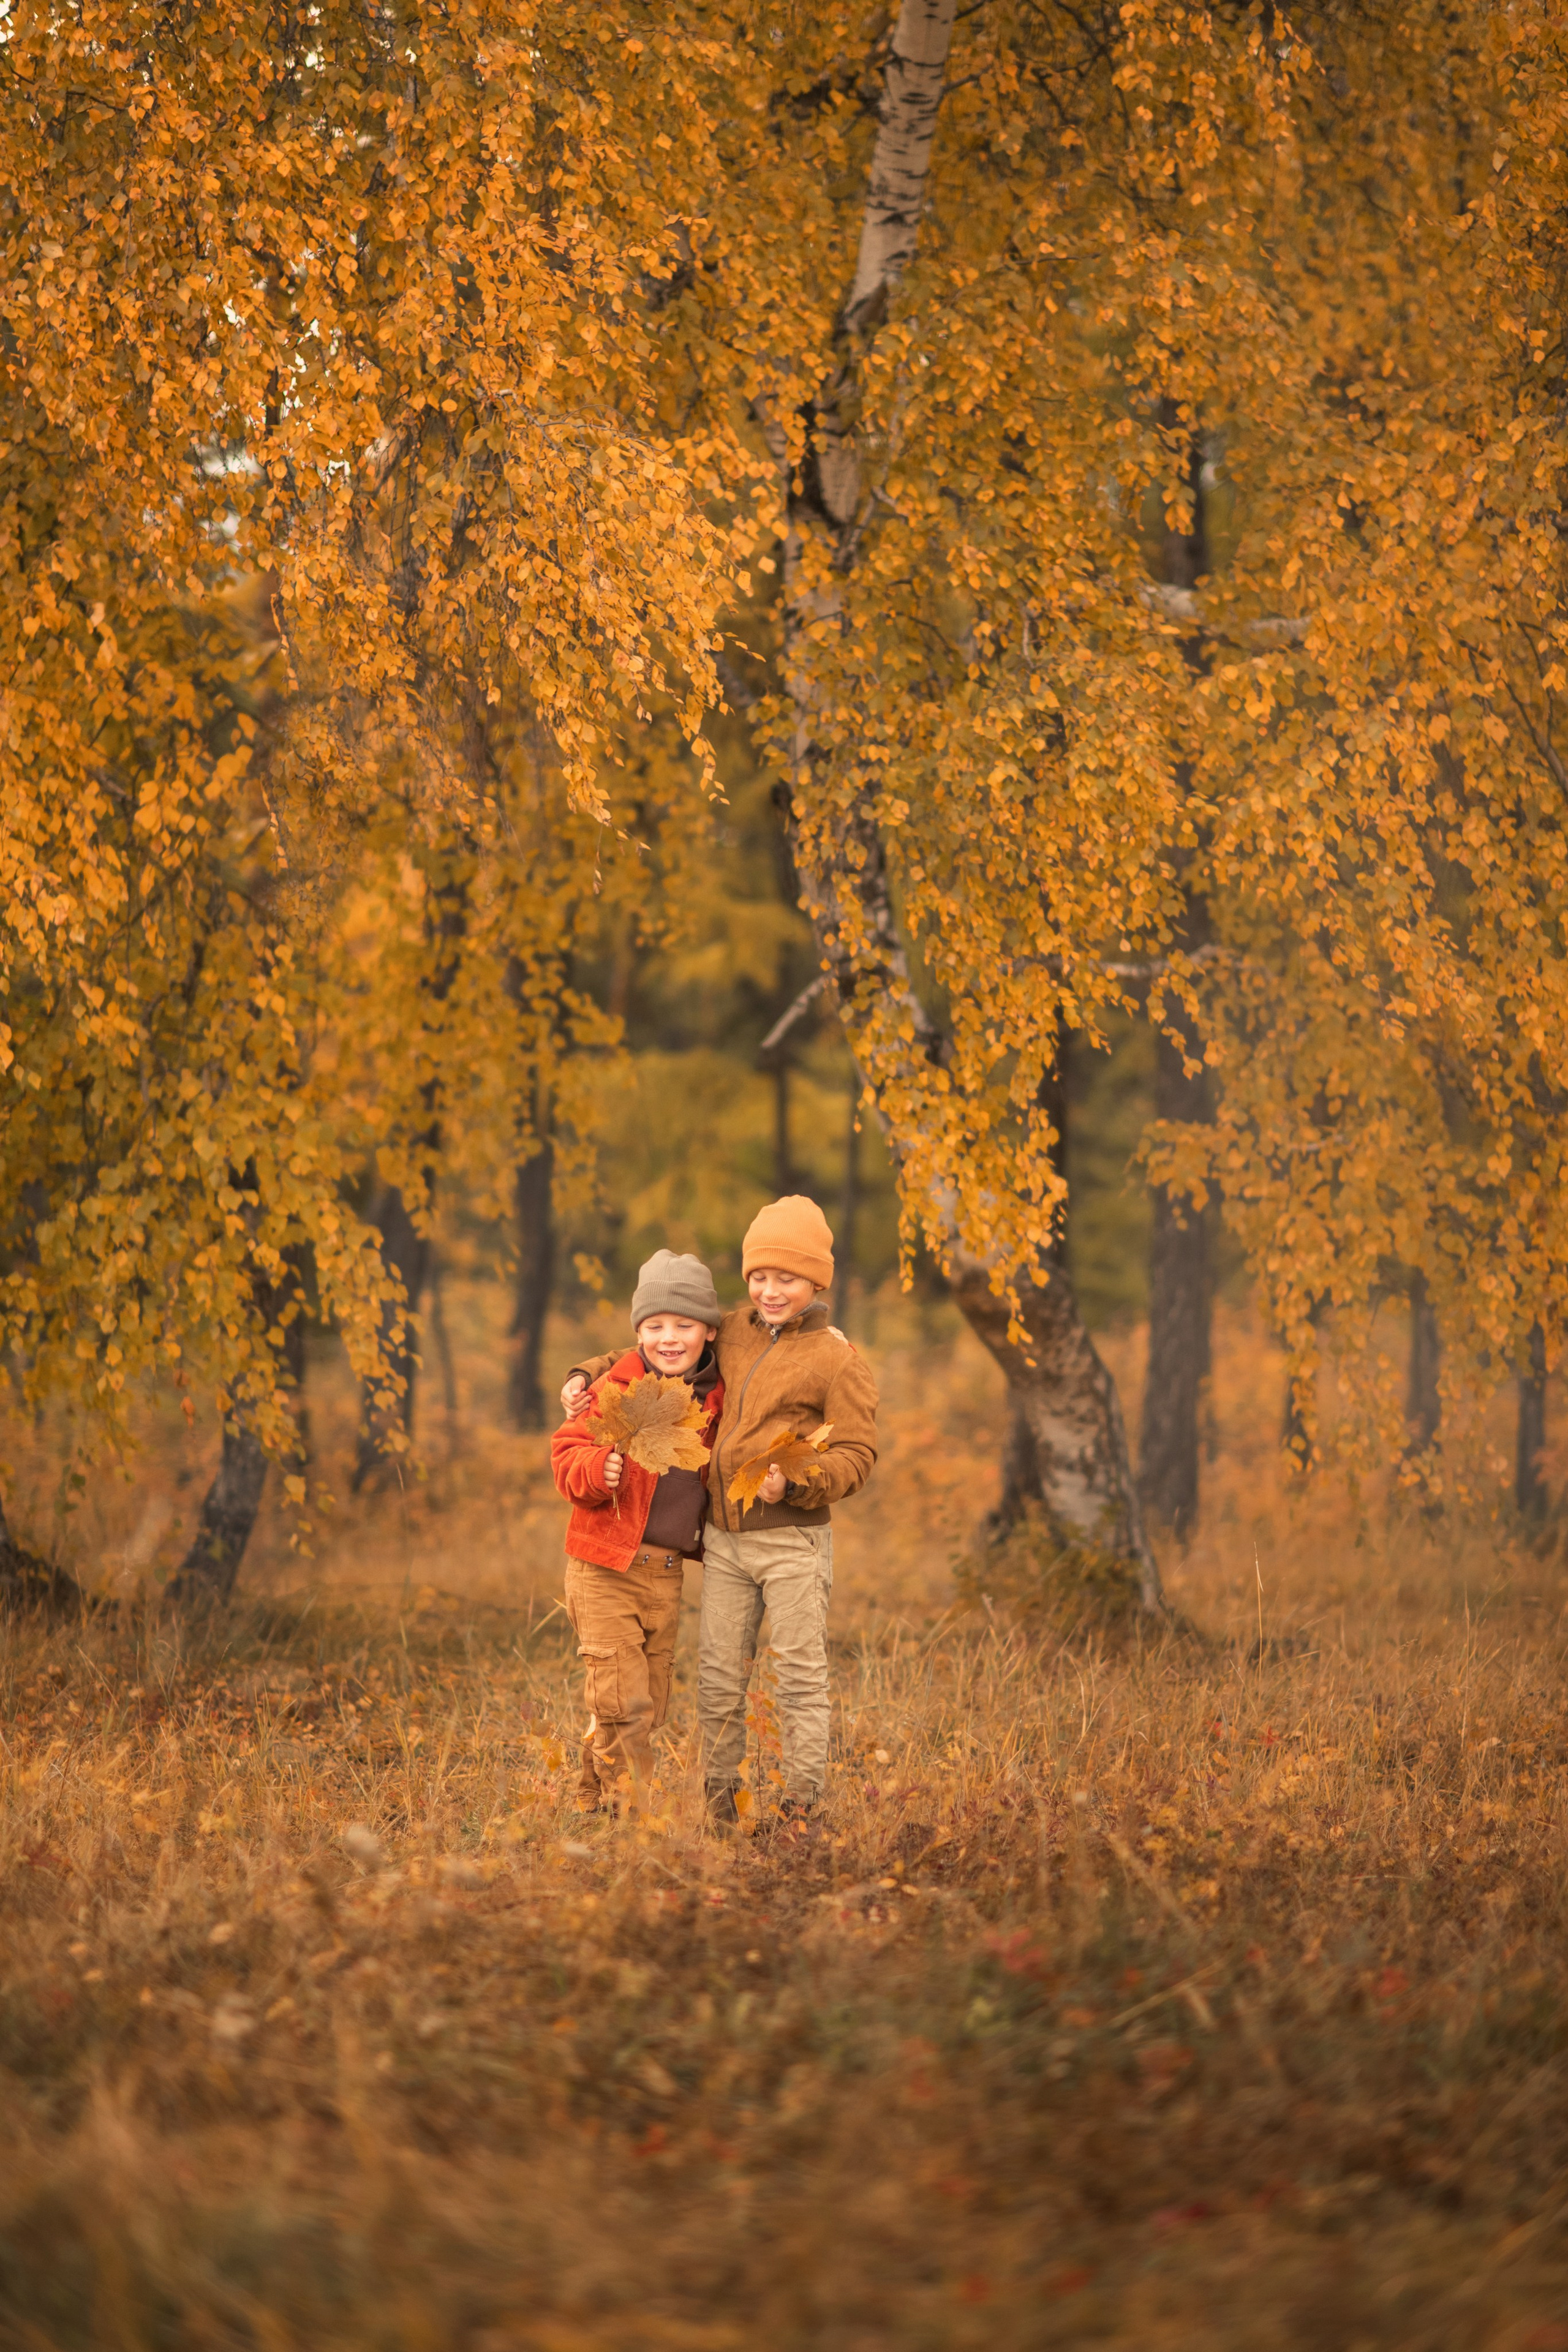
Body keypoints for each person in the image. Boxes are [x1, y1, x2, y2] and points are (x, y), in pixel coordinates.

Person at [560, 1197, 878, 1835]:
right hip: (715, 1546)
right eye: (759, 1276)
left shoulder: (836, 1359)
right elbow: (646, 1350)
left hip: (784, 1541)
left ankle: (801, 1806)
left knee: (791, 1676)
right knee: (704, 1683)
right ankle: (697, 1803)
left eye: (786, 1278)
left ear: (816, 1281)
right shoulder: (732, 1330)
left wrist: (799, 1481)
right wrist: (582, 1374)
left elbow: (856, 1454)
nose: (769, 1290)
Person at [550, 1249, 723, 1815]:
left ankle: (589, 1799)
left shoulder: (717, 1397)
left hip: (665, 1577)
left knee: (643, 1701)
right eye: (654, 1326)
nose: (668, 1338)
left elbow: (771, 1330)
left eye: (683, 1325)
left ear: (709, 1331)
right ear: (637, 1334)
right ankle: (635, 1817)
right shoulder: (615, 1391)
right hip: (604, 1568)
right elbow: (566, 1451)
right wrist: (597, 1472)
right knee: (623, 1704)